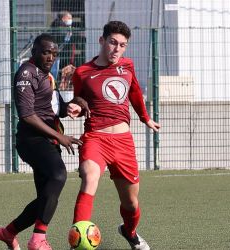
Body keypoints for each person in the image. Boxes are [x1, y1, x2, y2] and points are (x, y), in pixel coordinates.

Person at [71, 21, 161, 250]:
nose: (117, 49)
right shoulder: (82, 73)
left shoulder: (127, 66)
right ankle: (78, 241)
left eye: (122, 45)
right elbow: (80, 102)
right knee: (89, 176)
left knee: (130, 203)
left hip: (123, 141)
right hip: (95, 137)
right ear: (102, 41)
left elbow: (135, 92)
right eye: (113, 42)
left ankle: (129, 232)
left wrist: (145, 117)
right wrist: (75, 108)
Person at [0, 33, 88, 250]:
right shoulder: (26, 73)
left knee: (47, 198)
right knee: (58, 175)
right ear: (35, 51)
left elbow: (56, 108)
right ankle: (38, 240)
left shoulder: (48, 75)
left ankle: (8, 233)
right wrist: (60, 136)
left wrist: (75, 104)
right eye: (46, 52)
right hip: (32, 140)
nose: (51, 57)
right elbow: (27, 115)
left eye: (54, 54)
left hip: (48, 141)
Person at [49, 11, 86, 90]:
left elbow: (75, 41)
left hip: (68, 56)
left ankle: (63, 88)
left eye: (71, 18)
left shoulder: (70, 29)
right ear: (63, 19)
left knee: (66, 74)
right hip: (59, 56)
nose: (71, 20)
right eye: (69, 18)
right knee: (57, 74)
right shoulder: (56, 28)